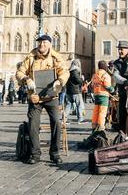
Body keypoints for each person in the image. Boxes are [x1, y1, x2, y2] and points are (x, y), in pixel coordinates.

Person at [15, 34, 69, 165]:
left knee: (56, 122)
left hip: (52, 96)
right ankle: (35, 154)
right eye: (39, 43)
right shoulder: (31, 57)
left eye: (44, 43)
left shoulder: (56, 57)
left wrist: (60, 81)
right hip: (35, 97)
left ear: (50, 44)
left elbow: (65, 71)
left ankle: (54, 153)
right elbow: (19, 72)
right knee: (33, 124)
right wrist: (26, 79)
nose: (42, 45)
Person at [91, 60, 115, 131]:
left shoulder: (95, 74)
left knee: (96, 111)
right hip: (104, 96)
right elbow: (107, 86)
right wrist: (112, 90)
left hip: (96, 95)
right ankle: (101, 127)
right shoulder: (105, 75)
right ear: (105, 67)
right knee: (102, 112)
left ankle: (94, 125)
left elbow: (92, 85)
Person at [65, 59, 86, 123]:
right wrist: (82, 79)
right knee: (78, 105)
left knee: (69, 105)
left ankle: (64, 118)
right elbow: (78, 80)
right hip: (75, 90)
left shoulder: (69, 70)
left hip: (69, 90)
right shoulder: (75, 70)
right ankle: (80, 119)